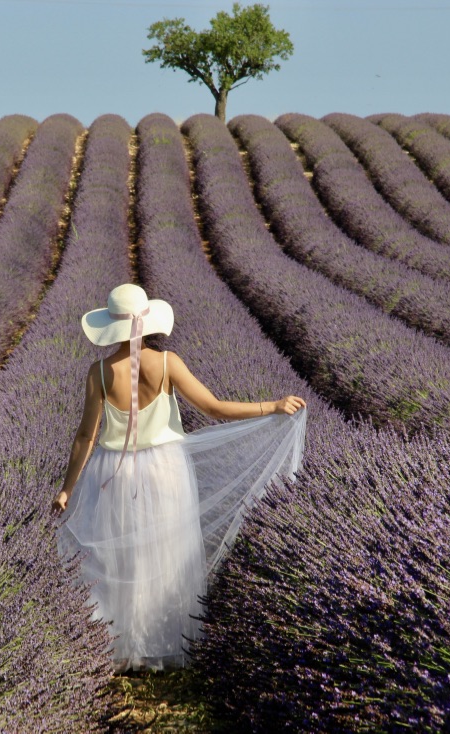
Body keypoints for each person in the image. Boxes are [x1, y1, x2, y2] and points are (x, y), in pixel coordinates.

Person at [53, 283, 307, 673]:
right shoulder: (168, 363)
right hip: (165, 469)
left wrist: (67, 488)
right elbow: (213, 407)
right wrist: (271, 406)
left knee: (122, 559)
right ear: (149, 323)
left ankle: (121, 646)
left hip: (112, 473)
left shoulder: (100, 372)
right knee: (166, 557)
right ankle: (163, 642)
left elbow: (86, 436)